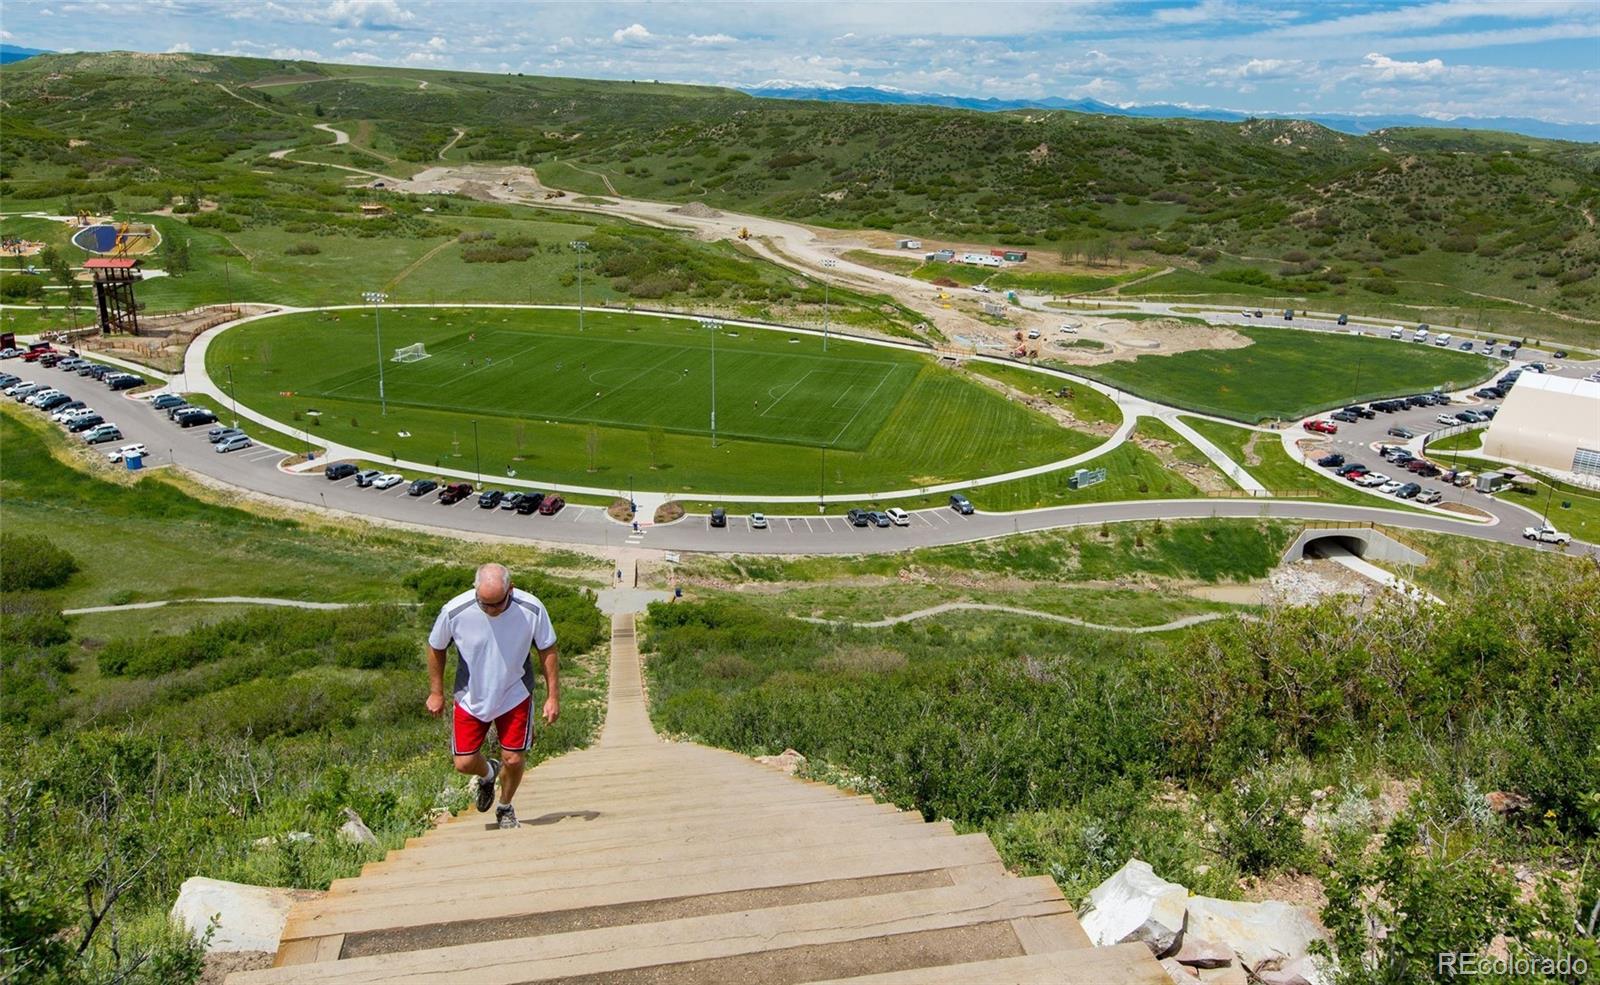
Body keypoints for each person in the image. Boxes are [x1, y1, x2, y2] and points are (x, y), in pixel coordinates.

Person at [425, 563, 559, 830]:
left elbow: (547, 648)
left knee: (514, 758)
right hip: (471, 695)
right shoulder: (456, 610)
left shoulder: (531, 608)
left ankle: (505, 806)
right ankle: (488, 773)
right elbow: (436, 646)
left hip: (515, 692)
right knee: (463, 762)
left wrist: (552, 696)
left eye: (497, 604)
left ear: (512, 589)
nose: (490, 610)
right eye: (484, 604)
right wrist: (436, 692)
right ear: (476, 591)